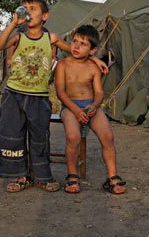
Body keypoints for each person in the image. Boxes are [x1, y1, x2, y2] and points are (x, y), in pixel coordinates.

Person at [0, 0, 107, 193]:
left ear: (45, 16)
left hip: (39, 97)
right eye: (24, 8)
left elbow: (74, 52)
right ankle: (21, 176)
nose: (27, 12)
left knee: (39, 137)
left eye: (32, 9)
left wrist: (95, 59)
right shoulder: (18, 37)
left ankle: (42, 177)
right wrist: (13, 23)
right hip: (14, 95)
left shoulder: (51, 38)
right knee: (14, 135)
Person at [55, 24, 126, 195]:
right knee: (73, 136)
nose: (76, 46)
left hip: (90, 106)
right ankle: (72, 175)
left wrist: (93, 106)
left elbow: (100, 92)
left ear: (92, 50)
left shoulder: (93, 67)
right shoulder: (63, 65)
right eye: (75, 41)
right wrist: (75, 110)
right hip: (69, 106)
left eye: (83, 44)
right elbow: (60, 92)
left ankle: (112, 177)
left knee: (108, 136)